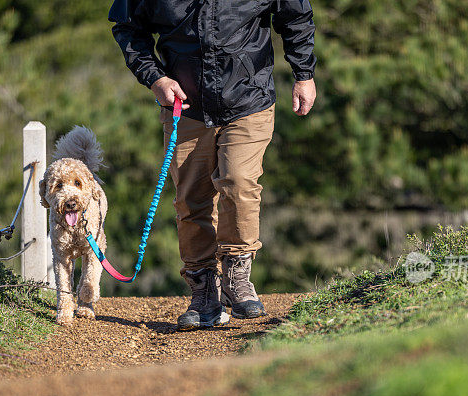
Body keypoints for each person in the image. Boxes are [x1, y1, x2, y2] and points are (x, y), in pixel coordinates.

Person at [109, 1, 317, 331]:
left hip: (249, 100)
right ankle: (204, 294)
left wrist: (303, 75)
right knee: (191, 200)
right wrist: (156, 79)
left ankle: (237, 279)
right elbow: (127, 27)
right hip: (186, 107)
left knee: (238, 182)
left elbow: (296, 16)